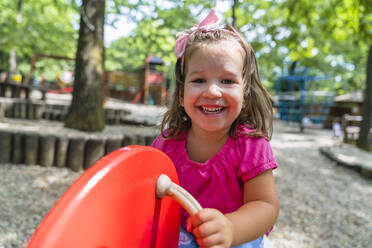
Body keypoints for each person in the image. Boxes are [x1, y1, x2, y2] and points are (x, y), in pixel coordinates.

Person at [152, 9, 279, 248]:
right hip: (180, 232)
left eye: (227, 81)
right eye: (199, 80)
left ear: (245, 93)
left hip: (238, 237)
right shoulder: (167, 143)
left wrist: (230, 228)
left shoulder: (251, 145)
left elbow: (266, 206)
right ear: (181, 94)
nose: (212, 92)